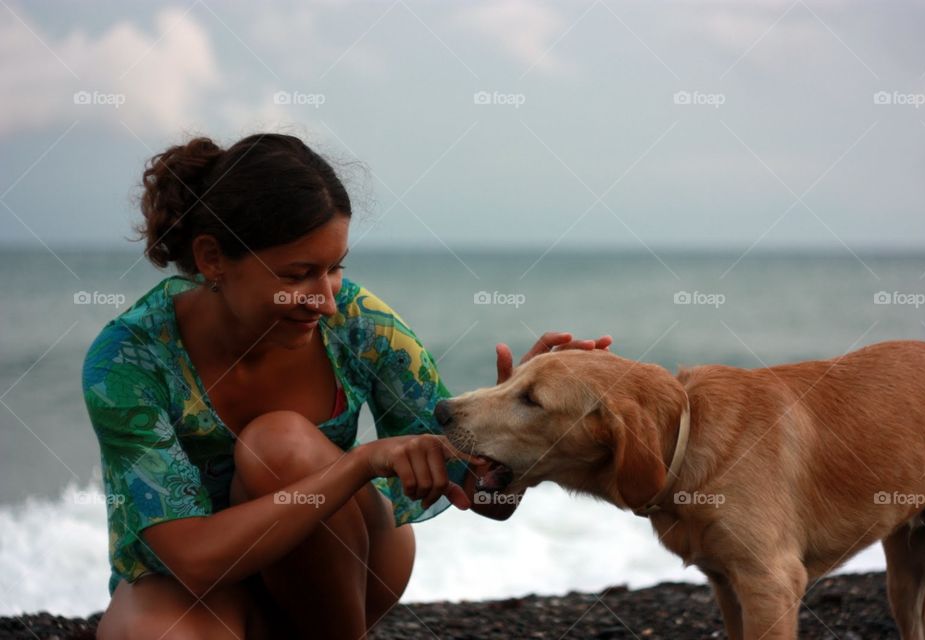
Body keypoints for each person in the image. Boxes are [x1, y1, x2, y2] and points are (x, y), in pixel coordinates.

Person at [81, 133, 613, 639]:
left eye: (335, 269)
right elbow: (194, 562)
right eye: (297, 276)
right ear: (212, 259)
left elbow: (485, 498)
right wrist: (359, 462)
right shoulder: (129, 360)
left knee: (279, 445)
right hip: (200, 579)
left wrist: (513, 436)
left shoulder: (361, 325)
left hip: (346, 562)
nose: (327, 300)